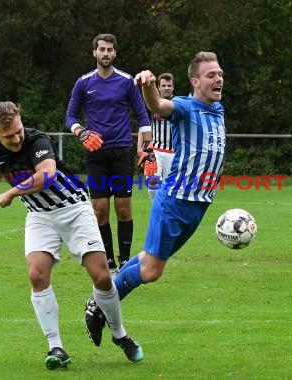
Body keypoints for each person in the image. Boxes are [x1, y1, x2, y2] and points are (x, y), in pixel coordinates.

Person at [0, 101, 143, 369]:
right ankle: (56, 347)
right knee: (36, 274)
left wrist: (10, 192)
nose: (17, 138)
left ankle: (119, 334)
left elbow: (47, 175)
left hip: (74, 209)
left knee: (102, 276)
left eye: (18, 130)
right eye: (8, 136)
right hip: (40, 216)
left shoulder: (37, 141)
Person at [84, 52, 226, 346]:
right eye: (211, 75)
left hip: (198, 206)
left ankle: (102, 298)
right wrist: (147, 84)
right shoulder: (186, 107)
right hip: (175, 201)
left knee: (147, 259)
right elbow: (158, 105)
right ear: (195, 81)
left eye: (220, 74)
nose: (218, 79)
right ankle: (99, 305)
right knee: (151, 271)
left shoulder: (218, 110)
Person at [65, 33, 155, 276]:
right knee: (100, 210)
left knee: (124, 208)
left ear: (115, 53)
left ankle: (125, 262)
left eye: (110, 50)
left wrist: (147, 147)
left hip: (121, 153)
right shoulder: (83, 83)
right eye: (101, 49)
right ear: (94, 52)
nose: (106, 54)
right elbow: (70, 116)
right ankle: (110, 265)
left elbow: (142, 114)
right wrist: (81, 132)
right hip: (96, 155)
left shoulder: (126, 81)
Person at [136, 72, 176, 201]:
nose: (166, 88)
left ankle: (164, 212)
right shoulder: (152, 104)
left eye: (169, 85)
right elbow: (144, 125)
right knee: (152, 184)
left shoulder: (178, 104)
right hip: (155, 150)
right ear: (158, 87)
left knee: (170, 188)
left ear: (173, 87)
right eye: (163, 85)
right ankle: (157, 207)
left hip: (174, 152)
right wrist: (140, 146)